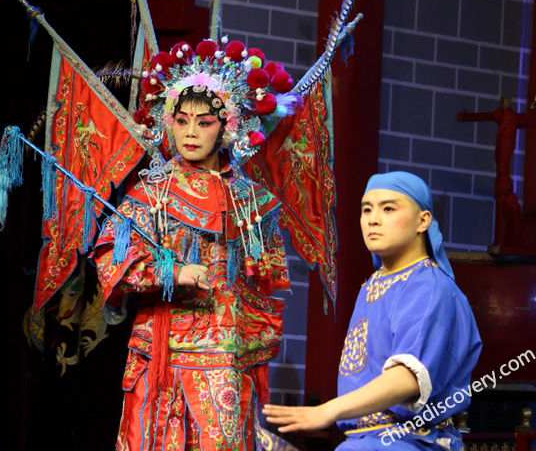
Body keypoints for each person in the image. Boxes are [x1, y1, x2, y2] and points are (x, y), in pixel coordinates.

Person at [93, 38, 299, 451]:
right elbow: (110, 259)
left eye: (204, 122)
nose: (190, 132)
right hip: (163, 350)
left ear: (227, 126)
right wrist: (172, 272)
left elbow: (263, 281)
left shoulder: (253, 199)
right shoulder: (152, 192)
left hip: (229, 354)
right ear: (168, 120)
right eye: (182, 119)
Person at [263, 171, 482, 451]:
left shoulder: (428, 285)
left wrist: (328, 411)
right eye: (367, 209)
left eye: (388, 208)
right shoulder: (373, 284)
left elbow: (408, 377)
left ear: (423, 221)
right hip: (366, 440)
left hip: (408, 440)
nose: (373, 219)